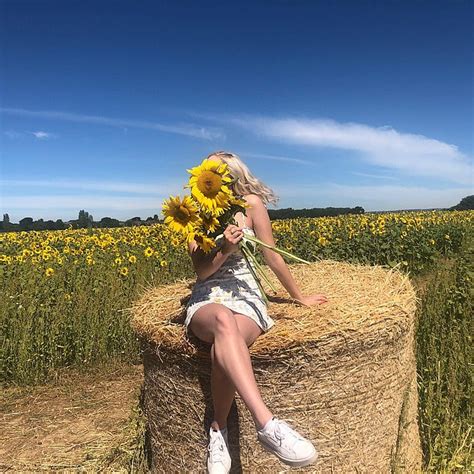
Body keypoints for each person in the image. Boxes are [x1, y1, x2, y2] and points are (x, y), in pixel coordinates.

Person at [184, 151, 329, 473]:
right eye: (206, 171)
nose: (210, 176)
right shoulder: (196, 213)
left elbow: (272, 256)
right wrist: (226, 249)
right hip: (210, 294)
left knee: (226, 341)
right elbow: (201, 271)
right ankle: (267, 424)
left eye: (216, 171)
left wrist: (299, 296)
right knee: (222, 319)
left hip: (248, 294)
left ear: (230, 176)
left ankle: (217, 431)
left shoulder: (250, 205)